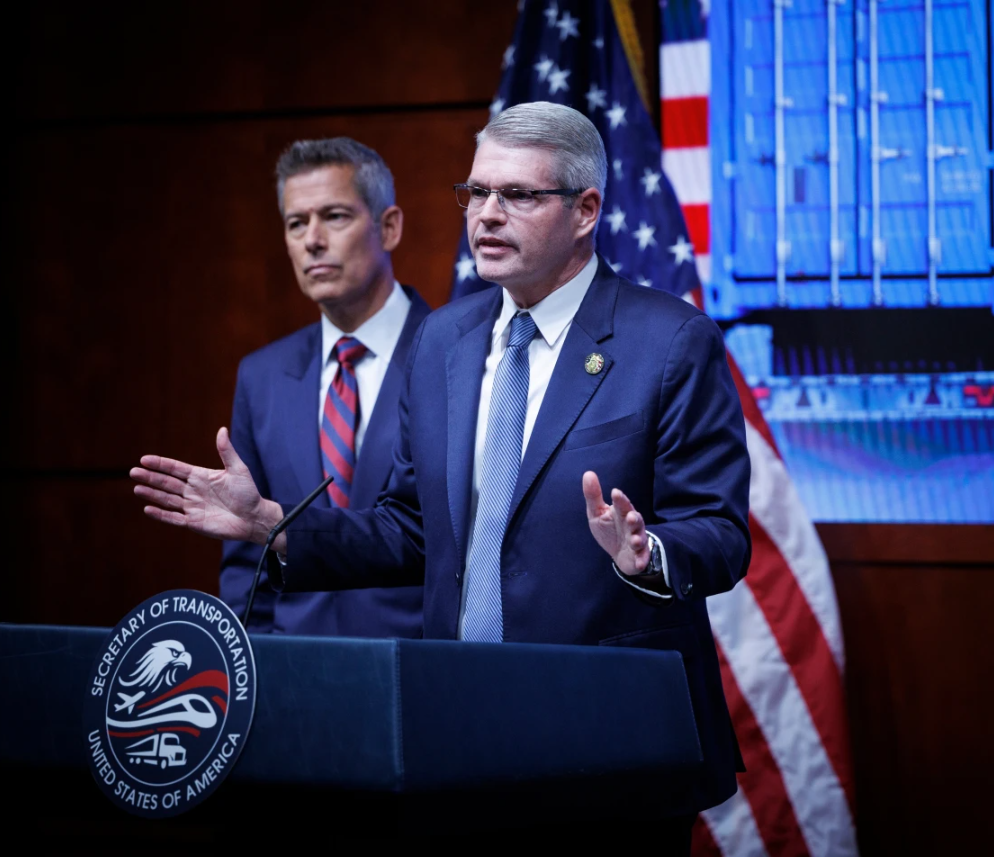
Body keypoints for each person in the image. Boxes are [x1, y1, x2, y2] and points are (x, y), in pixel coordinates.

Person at [132, 102, 750, 843]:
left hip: (607, 741)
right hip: (457, 735)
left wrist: (648, 555)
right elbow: (410, 528)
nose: (486, 215)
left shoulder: (671, 341)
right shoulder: (443, 340)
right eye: (476, 192)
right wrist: (277, 527)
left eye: (517, 195)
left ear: (585, 210)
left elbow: (719, 530)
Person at [219, 137, 429, 638]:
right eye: (296, 223)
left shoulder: (456, 355)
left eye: (334, 217)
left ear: (389, 227)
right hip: (294, 667)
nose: (312, 240)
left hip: (420, 665)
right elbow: (246, 562)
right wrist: (257, 665)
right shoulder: (262, 376)